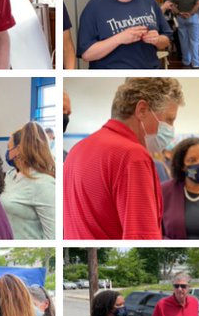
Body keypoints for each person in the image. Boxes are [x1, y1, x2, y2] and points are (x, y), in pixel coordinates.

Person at [64, 77, 183, 239]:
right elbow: (142, 238)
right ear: (142, 110)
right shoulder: (132, 156)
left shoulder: (76, 150)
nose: (171, 129)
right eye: (169, 119)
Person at [77, 0, 173, 69]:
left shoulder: (149, 1)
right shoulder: (95, 7)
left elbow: (166, 38)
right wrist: (119, 39)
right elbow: (87, 54)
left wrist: (157, 40)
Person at [1, 122, 56, 239]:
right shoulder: (10, 175)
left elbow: (52, 236)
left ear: (19, 149)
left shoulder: (44, 184)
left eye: (9, 147)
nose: (7, 152)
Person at [164, 0, 199, 68]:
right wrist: (190, 13)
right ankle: (196, 63)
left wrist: (179, 13)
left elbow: (171, 5)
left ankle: (186, 61)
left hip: (181, 18)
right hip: (193, 18)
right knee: (194, 41)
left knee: (183, 40)